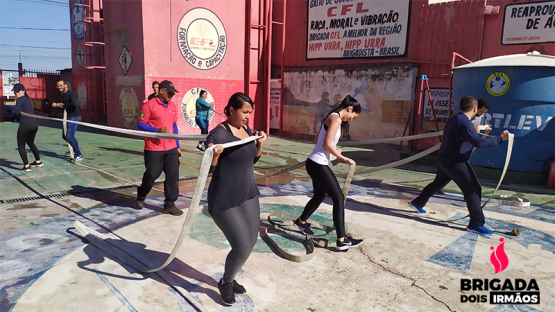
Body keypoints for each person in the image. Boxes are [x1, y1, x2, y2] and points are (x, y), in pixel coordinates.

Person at [409, 96, 510, 235]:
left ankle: (418, 202)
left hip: (443, 159)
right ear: (475, 109)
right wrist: (499, 138)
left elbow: (464, 137)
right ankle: (476, 223)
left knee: (438, 183)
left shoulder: (454, 119)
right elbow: (478, 143)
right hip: (455, 162)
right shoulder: (464, 122)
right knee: (473, 189)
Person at [206, 92, 267, 306]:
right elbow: (206, 172)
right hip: (224, 199)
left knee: (250, 243)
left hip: (248, 194)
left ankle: (228, 278)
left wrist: (259, 143)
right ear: (231, 109)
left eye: (250, 113)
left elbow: (251, 160)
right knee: (241, 247)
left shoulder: (246, 130)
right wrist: (214, 155)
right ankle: (226, 283)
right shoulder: (217, 135)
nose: (248, 117)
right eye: (245, 112)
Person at [294, 95, 363, 251]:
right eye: (353, 116)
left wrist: (333, 150)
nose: (352, 119)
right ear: (349, 109)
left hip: (315, 162)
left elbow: (317, 141)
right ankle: (341, 240)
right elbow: (326, 144)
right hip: (317, 164)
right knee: (338, 198)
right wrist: (343, 157)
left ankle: (300, 222)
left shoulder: (331, 117)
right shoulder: (336, 119)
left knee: (319, 196)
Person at [135, 80, 183, 216]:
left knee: (173, 177)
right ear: (161, 91)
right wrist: (157, 130)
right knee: (151, 175)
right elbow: (140, 124)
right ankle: (142, 193)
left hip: (171, 148)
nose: (171, 95)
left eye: (173, 93)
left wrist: (177, 145)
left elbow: (174, 126)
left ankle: (170, 204)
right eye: (169, 92)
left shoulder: (173, 105)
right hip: (154, 148)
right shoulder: (149, 105)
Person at [436, 98, 491, 195]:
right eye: (481, 111)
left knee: (445, 172)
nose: (482, 114)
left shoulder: (475, 117)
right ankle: (469, 194)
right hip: (457, 151)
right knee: (464, 176)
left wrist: (482, 128)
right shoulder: (464, 118)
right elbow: (469, 132)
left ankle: (434, 190)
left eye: (484, 112)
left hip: (460, 149)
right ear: (475, 108)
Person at [12, 83, 43, 172]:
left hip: (25, 125)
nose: (16, 93)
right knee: (30, 143)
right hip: (34, 124)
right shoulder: (27, 99)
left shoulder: (20, 99)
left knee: (21, 145)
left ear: (23, 91)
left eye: (18, 91)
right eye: (15, 91)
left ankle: (26, 166)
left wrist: (14, 110)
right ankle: (38, 161)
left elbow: (17, 112)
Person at [52, 80, 83, 161]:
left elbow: (75, 103)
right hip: (68, 117)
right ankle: (72, 150)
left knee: (69, 136)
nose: (59, 87)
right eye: (58, 86)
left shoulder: (70, 93)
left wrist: (62, 105)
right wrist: (58, 105)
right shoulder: (63, 95)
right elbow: (64, 106)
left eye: (61, 85)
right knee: (64, 136)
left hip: (74, 117)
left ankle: (79, 154)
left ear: (66, 85)